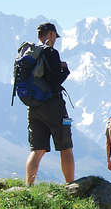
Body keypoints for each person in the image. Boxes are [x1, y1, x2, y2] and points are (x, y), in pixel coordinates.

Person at [25, 22, 75, 185]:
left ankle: (29, 186)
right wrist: (65, 70)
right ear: (51, 34)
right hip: (54, 106)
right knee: (65, 146)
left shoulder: (29, 54)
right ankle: (71, 186)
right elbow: (54, 81)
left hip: (33, 107)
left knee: (37, 149)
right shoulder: (50, 52)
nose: (55, 40)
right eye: (55, 36)